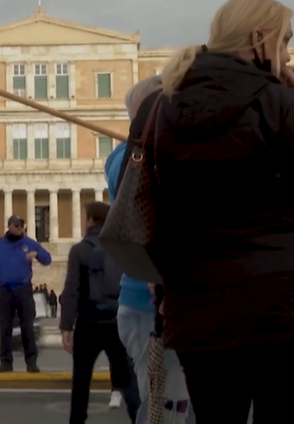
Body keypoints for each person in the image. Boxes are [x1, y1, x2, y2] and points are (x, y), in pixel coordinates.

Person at [131, 0, 294, 423]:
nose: (288, 54)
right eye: (285, 41)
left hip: (200, 311)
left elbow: (149, 210)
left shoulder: (158, 107)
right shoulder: (280, 102)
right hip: (289, 308)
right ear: (259, 38)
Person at [110, 75, 195, 424]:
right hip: (150, 305)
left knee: (181, 405)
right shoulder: (128, 158)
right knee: (166, 407)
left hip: (176, 303)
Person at [60, 202, 136, 424]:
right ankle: (140, 419)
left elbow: (71, 290)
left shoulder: (79, 250)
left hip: (88, 323)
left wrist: (66, 326)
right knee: (127, 381)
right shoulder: (120, 248)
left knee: (81, 383)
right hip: (117, 323)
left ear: (91, 219)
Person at [0, 214, 52, 373]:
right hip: (6, 291)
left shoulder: (29, 243)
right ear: (9, 226)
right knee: (5, 328)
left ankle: (31, 362)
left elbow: (47, 259)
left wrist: (36, 254)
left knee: (27, 327)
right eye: (16, 225)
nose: (19, 228)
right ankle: (6, 362)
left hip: (23, 290)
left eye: (21, 226)